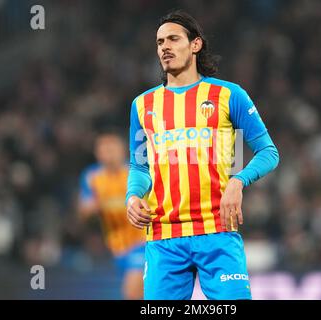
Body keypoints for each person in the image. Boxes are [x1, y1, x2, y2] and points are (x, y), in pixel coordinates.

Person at [126, 10, 279, 300]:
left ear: (195, 45)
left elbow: (268, 152)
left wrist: (238, 181)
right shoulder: (142, 105)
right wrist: (132, 196)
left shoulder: (229, 95)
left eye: (173, 39)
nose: (164, 47)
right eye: (160, 42)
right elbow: (139, 165)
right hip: (163, 235)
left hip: (217, 230)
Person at [79, 131, 145, 300]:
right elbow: (82, 211)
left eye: (112, 148)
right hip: (117, 246)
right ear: (97, 152)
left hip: (143, 242)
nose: (108, 153)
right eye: (104, 148)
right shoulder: (91, 177)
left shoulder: (135, 173)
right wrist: (91, 208)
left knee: (131, 293)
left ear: (123, 150)